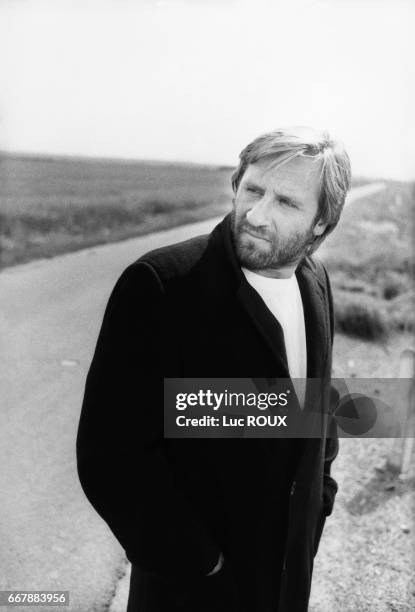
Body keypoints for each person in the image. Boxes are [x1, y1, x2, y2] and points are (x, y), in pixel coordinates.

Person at [76, 126, 351, 611]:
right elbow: (110, 456)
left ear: (322, 224)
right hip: (191, 589)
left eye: (286, 203)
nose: (257, 214)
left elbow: (317, 410)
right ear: (236, 184)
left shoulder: (317, 282)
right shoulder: (162, 285)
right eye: (252, 190)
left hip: (287, 583)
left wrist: (317, 502)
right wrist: (198, 560)